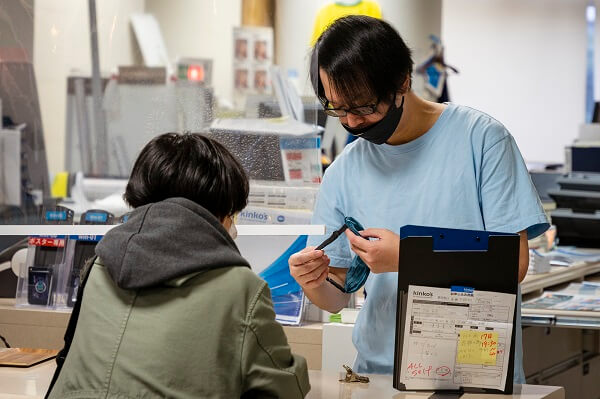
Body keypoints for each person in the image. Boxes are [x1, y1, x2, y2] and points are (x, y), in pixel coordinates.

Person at [288, 15, 549, 382]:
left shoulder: (482, 140)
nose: (351, 122)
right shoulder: (345, 171)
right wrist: (313, 280)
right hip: (379, 373)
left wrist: (409, 256)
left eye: (363, 107)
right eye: (337, 108)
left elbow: (513, 265)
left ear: (402, 82)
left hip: (473, 373)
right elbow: (338, 292)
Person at [48, 133, 310, 398]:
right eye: (232, 214)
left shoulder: (97, 267)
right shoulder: (241, 288)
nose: (233, 225)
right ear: (217, 213)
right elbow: (284, 389)